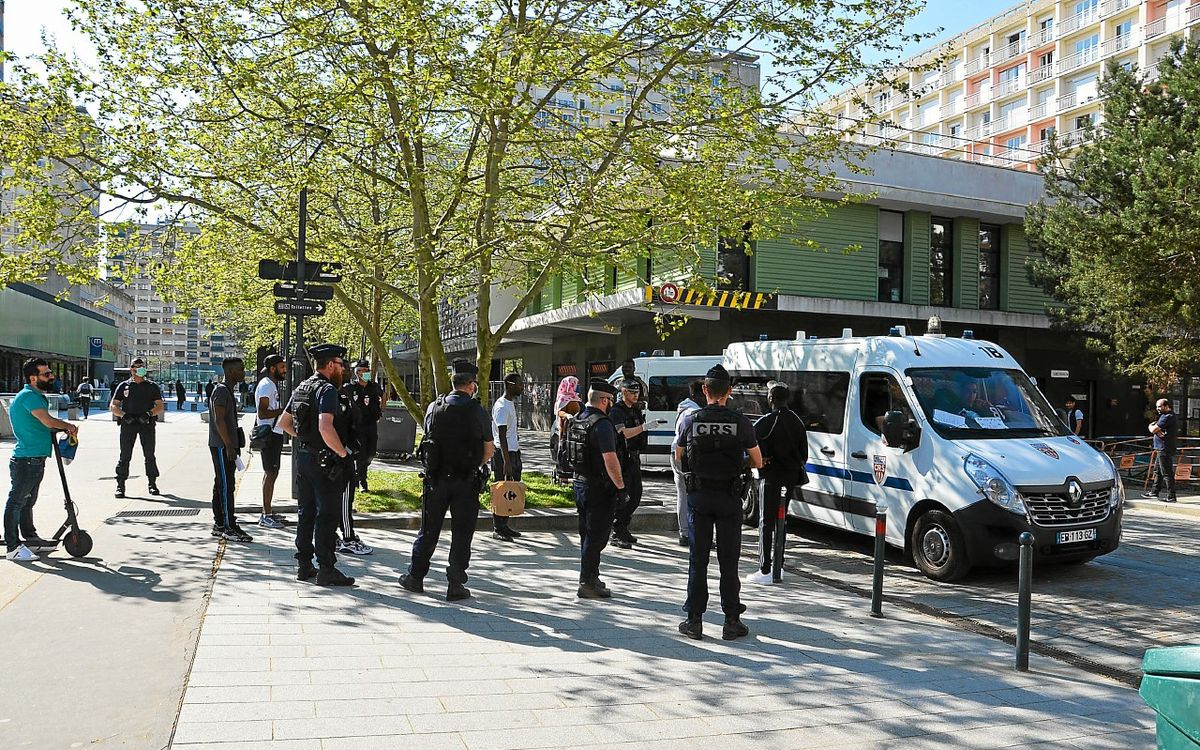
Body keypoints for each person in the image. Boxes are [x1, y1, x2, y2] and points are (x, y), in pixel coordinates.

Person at [675, 364, 763, 641]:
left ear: (705, 390)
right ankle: (731, 620)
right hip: (729, 498)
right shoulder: (741, 422)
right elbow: (758, 460)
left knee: (697, 560)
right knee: (729, 561)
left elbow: (679, 457)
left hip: (699, 498)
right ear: (730, 392)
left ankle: (695, 621)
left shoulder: (691, 419)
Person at [399, 359, 492, 601]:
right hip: (465, 481)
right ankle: (455, 584)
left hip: (436, 479)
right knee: (462, 533)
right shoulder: (478, 411)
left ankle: (415, 577)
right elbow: (489, 449)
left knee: (428, 530)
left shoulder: (434, 407)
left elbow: (429, 439)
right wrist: (474, 465)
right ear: (471, 385)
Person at [277, 344, 356, 586]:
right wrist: (342, 454)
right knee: (327, 514)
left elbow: (284, 422)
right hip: (325, 462)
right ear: (331, 365)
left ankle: (304, 565)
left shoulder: (302, 387)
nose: (343, 370)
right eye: (341, 365)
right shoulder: (327, 390)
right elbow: (325, 426)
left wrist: (306, 440)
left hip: (305, 459)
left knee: (306, 513)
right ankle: (326, 568)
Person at [5, 358, 78, 561]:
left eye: (50, 373)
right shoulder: (30, 396)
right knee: (17, 502)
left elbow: (42, 424)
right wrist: (67, 426)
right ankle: (12, 548)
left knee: (27, 502)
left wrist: (60, 428)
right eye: (46, 374)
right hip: (26, 459)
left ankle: (30, 539)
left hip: (34, 458)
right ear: (33, 378)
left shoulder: (35, 396)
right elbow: (47, 420)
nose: (52, 376)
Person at [564, 378, 628, 599]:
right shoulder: (602, 424)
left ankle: (591, 575)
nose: (612, 404)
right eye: (611, 400)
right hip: (599, 489)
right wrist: (621, 488)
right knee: (597, 537)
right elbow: (610, 459)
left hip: (580, 484)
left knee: (587, 534)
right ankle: (587, 582)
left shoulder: (578, 419)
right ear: (604, 400)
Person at [748, 383, 807, 584]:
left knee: (766, 521)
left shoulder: (766, 422)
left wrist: (762, 460)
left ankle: (765, 568)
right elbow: (804, 454)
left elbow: (750, 445)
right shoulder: (797, 422)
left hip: (770, 476)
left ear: (771, 399)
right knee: (782, 520)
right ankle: (778, 566)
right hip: (790, 476)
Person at [609, 379, 665, 549]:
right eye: (632, 392)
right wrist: (644, 427)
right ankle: (616, 530)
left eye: (637, 393)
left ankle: (623, 526)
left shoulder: (634, 410)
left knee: (635, 495)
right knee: (623, 496)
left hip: (633, 458)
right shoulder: (617, 411)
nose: (636, 396)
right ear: (623, 392)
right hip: (622, 459)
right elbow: (623, 433)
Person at [208, 357, 252, 542]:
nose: (244, 372)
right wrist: (229, 446)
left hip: (226, 445)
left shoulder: (226, 392)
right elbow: (219, 420)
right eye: (241, 370)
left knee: (222, 484)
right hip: (221, 446)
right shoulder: (221, 391)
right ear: (230, 372)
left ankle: (220, 523)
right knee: (226, 486)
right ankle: (228, 526)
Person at [110, 358, 166, 498]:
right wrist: (123, 415)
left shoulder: (152, 386)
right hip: (129, 424)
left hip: (146, 424)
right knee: (125, 456)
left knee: (149, 455)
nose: (140, 369)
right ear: (132, 369)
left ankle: (152, 484)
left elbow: (159, 406)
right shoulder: (124, 386)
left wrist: (149, 414)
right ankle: (120, 485)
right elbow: (113, 406)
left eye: (142, 366)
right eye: (137, 366)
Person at [254, 355, 289, 530]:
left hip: (274, 433)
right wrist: (283, 411)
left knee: (272, 473)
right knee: (270, 472)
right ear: (272, 368)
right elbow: (262, 413)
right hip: (269, 435)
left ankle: (267, 511)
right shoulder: (267, 385)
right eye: (282, 367)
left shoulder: (270, 384)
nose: (285, 370)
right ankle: (266, 515)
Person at [491, 373, 524, 542]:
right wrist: (506, 462)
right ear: (510, 385)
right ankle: (498, 527)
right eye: (519, 384)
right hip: (504, 454)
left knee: (511, 489)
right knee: (502, 490)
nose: (522, 387)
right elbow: (502, 435)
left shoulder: (510, 404)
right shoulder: (502, 406)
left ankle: (505, 525)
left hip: (513, 452)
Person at [672, 379, 706, 546]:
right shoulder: (693, 412)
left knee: (683, 494)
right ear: (697, 394)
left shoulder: (685, 408)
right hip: (685, 453)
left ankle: (685, 532)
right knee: (687, 494)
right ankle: (686, 533)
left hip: (679, 452)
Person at [343, 360, 384, 493]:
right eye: (361, 370)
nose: (364, 373)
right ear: (357, 372)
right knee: (361, 453)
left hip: (371, 424)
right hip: (357, 426)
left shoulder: (374, 387)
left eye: (366, 371)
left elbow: (384, 396)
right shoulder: (350, 387)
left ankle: (359, 472)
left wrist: (380, 411)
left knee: (371, 452)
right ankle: (362, 480)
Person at [1143, 398, 1178, 503]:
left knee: (1166, 472)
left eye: (1159, 406)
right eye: (1157, 406)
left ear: (1166, 406)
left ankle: (1171, 496)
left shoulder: (1168, 417)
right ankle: (1154, 492)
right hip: (1160, 448)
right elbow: (1158, 431)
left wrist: (1151, 427)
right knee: (1157, 471)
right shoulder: (1165, 416)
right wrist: (1157, 431)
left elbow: (1153, 429)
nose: (1157, 408)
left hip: (1164, 448)